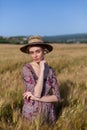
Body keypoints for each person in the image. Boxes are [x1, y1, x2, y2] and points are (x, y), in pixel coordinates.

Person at [20, 36, 61, 124]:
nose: (35, 55)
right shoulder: (27, 68)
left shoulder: (50, 70)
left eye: (38, 51)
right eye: (31, 52)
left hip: (48, 113)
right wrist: (42, 71)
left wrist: (36, 98)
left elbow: (57, 97)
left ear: (44, 51)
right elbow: (37, 94)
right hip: (31, 112)